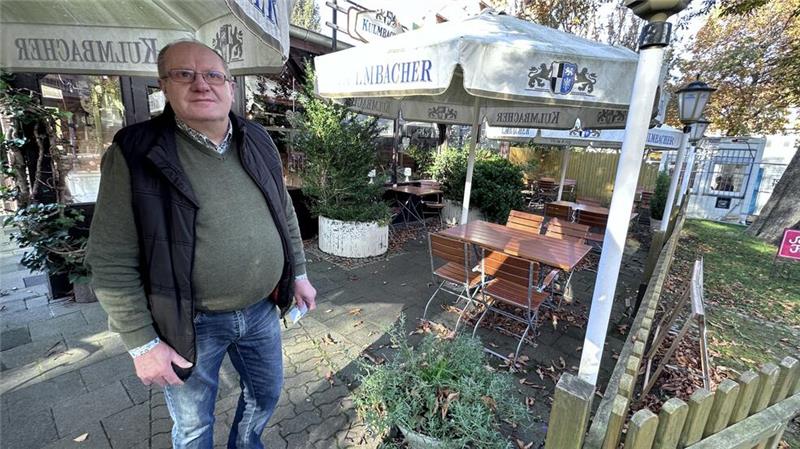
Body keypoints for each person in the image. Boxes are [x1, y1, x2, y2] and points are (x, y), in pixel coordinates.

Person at [86, 39, 317, 449]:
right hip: (190, 324)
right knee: (193, 426)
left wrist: (298, 274)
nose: (201, 85)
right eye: (184, 74)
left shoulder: (257, 139)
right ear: (164, 85)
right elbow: (110, 259)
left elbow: (284, 215)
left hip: (262, 310)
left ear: (229, 85)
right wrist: (142, 342)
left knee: (265, 397)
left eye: (213, 75)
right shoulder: (136, 152)